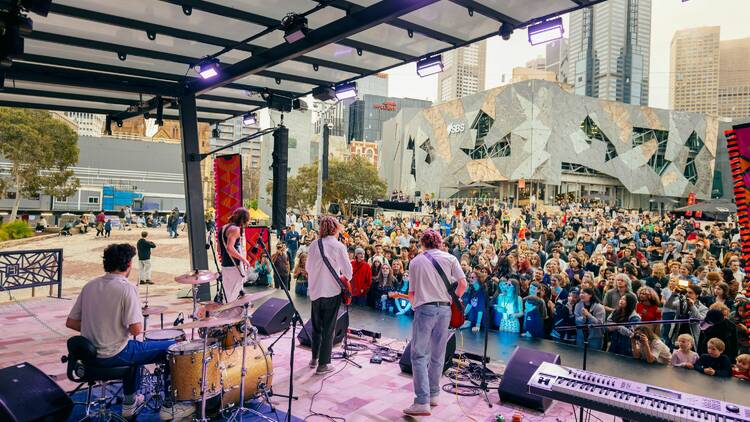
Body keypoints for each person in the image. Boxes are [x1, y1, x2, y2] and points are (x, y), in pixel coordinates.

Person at [65, 244, 194, 420]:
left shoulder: (90, 286)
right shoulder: (127, 288)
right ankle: (171, 406)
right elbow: (136, 329)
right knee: (174, 347)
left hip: (89, 355)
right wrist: (111, 329)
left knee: (136, 350)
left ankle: (130, 402)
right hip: (113, 353)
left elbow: (71, 322)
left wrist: (100, 327)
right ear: (128, 265)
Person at [403, 229, 467, 417]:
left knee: (419, 355)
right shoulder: (450, 258)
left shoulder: (415, 262)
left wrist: (415, 307)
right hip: (445, 310)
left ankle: (422, 401)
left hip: (425, 309)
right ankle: (433, 395)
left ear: (423, 243)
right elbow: (463, 284)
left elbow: (412, 293)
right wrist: (452, 299)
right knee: (438, 354)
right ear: (439, 242)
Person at [305, 216, 353, 375]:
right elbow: (348, 273)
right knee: (329, 329)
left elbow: (307, 268)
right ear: (335, 229)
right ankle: (323, 364)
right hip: (331, 292)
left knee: (316, 327)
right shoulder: (338, 246)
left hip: (315, 292)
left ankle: (314, 359)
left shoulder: (313, 245)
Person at [218, 207, 251, 302]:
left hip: (225, 266)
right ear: (243, 219)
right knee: (233, 296)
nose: (248, 223)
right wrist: (244, 260)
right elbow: (230, 248)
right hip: (234, 267)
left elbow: (219, 249)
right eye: (248, 220)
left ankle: (230, 314)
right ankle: (230, 315)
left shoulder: (223, 228)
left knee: (228, 295)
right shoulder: (235, 229)